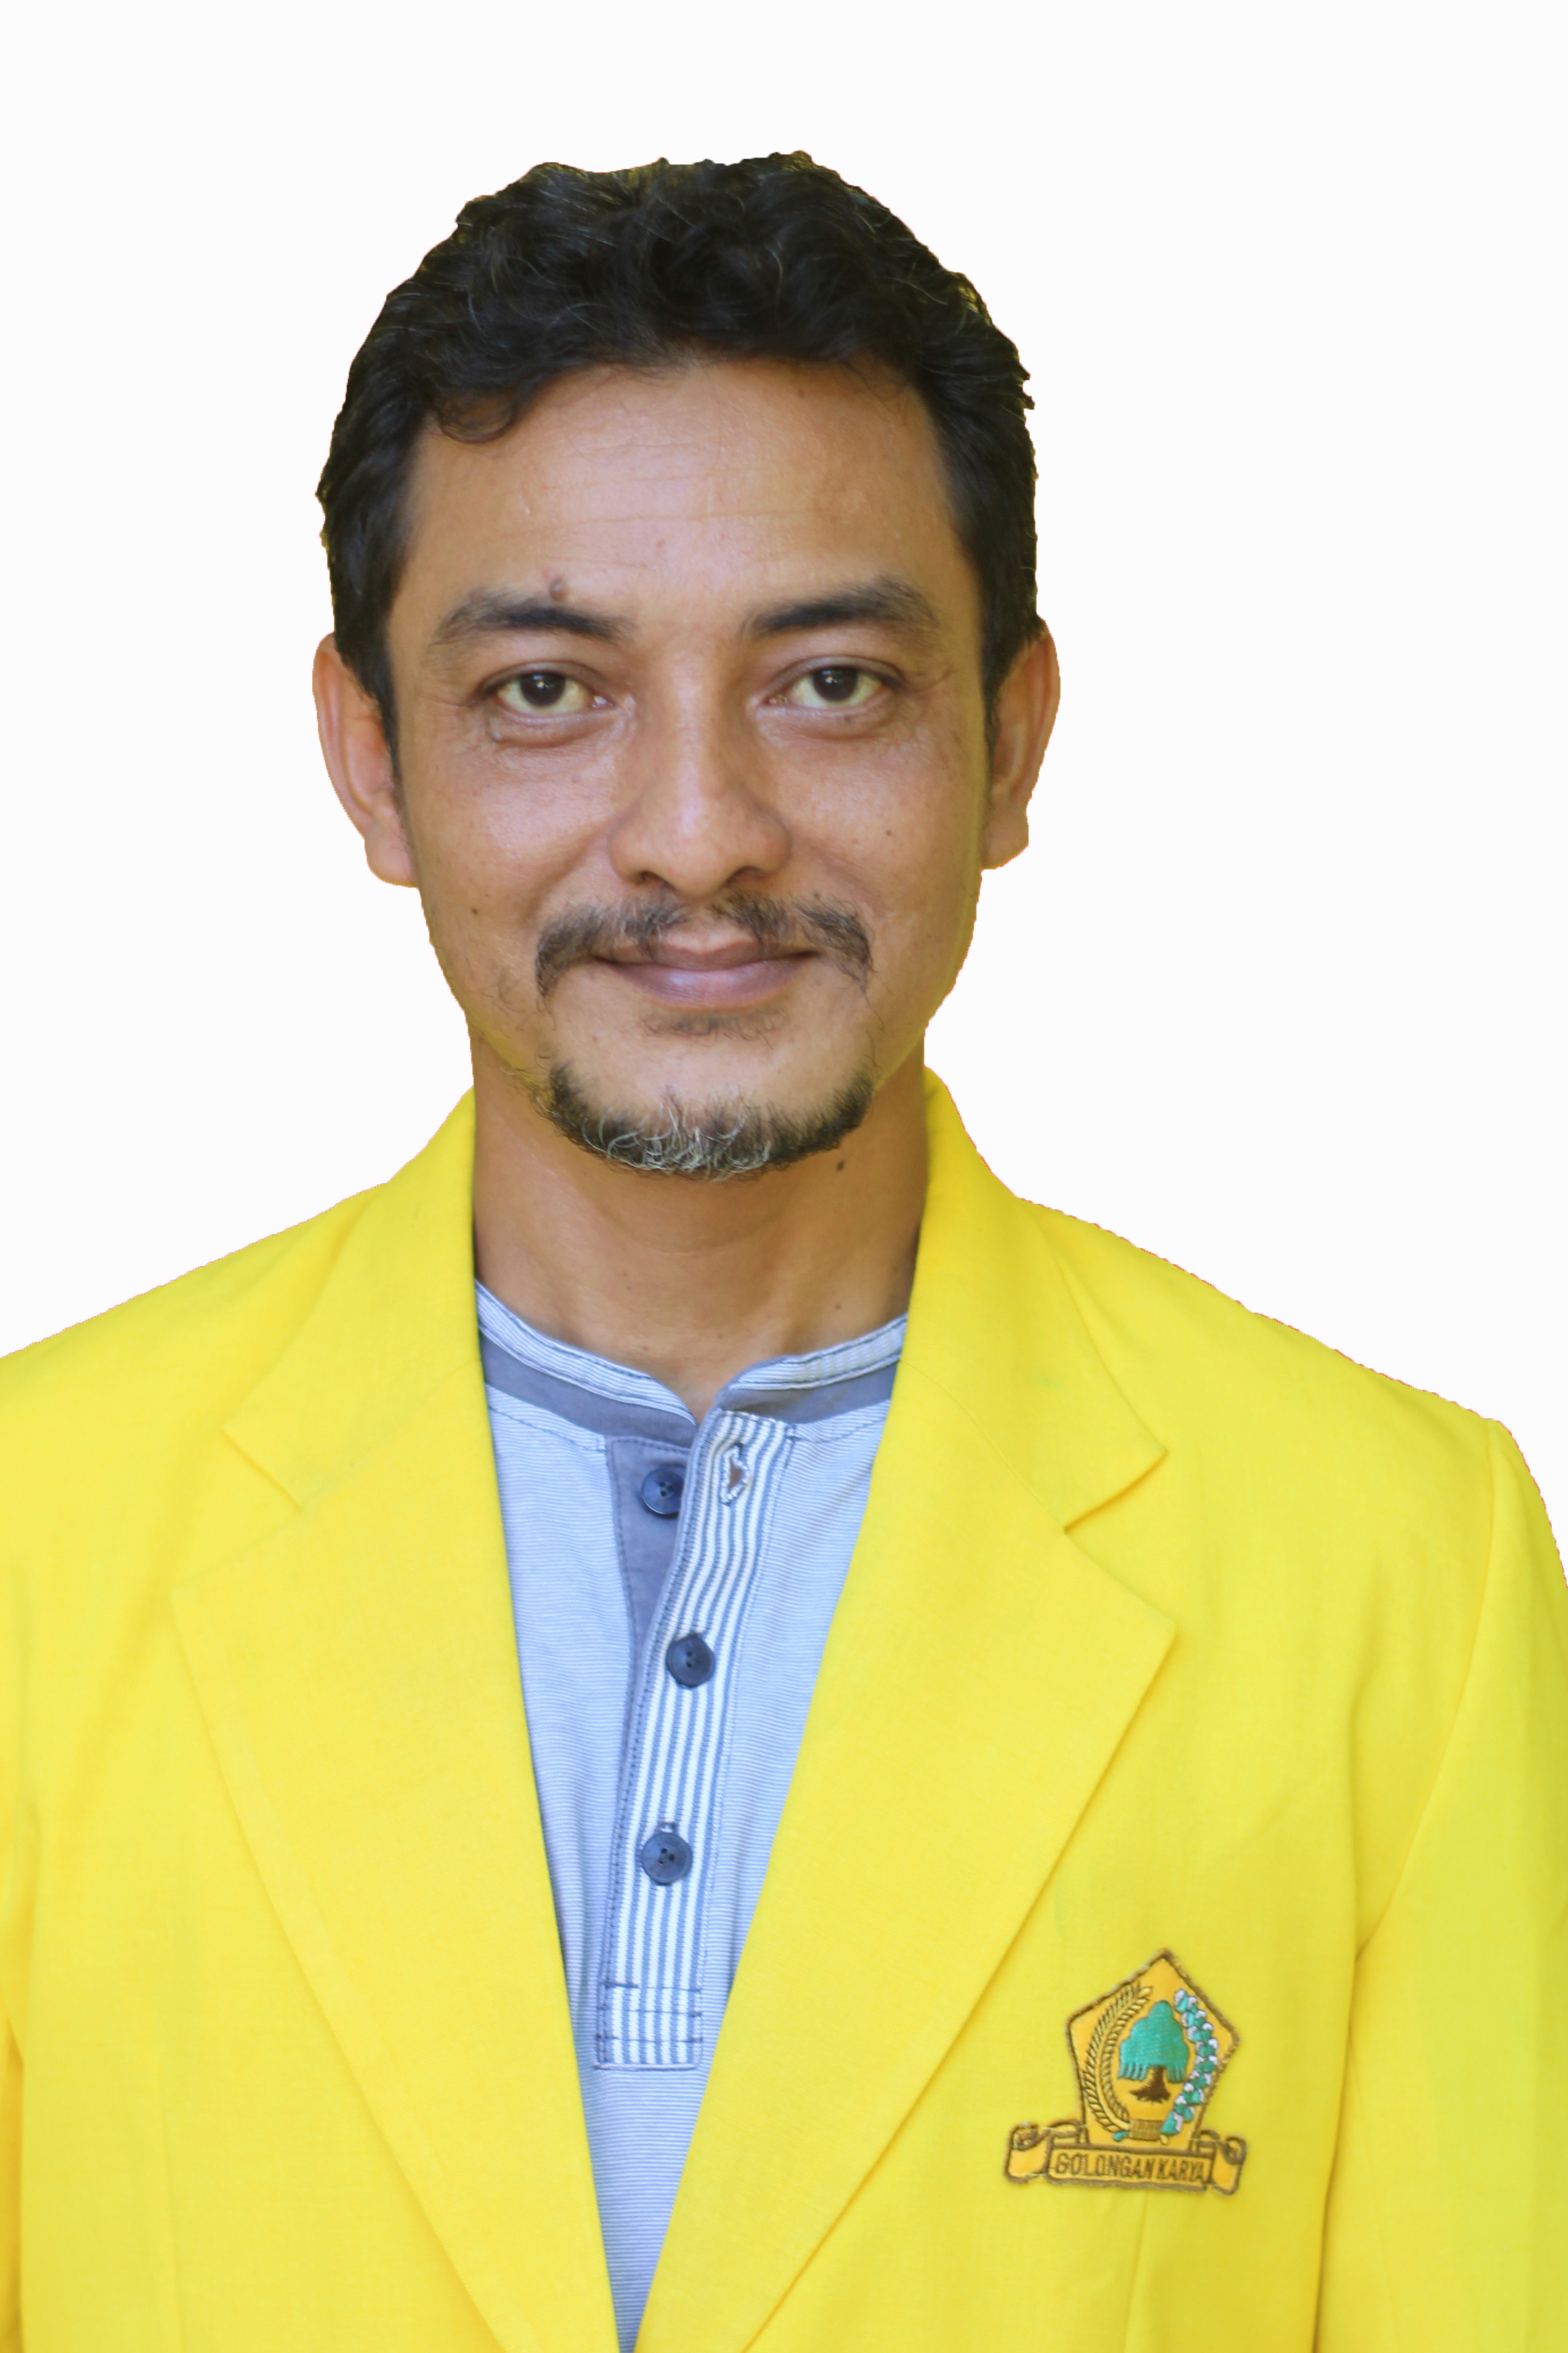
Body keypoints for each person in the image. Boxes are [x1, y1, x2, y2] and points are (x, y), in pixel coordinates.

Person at [0, 153, 1562, 2353]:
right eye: (547, 689)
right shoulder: (33, 1531)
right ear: (369, 759)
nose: (697, 834)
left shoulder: (1398, 1567)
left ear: (1010, 739)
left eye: (828, 682)